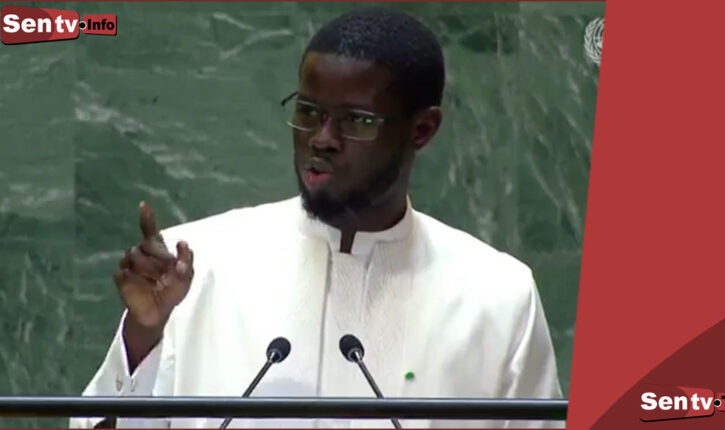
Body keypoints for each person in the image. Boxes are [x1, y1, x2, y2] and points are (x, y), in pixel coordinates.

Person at [71, 7, 562, 429]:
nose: (322, 138)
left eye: (356, 120)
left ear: (422, 129)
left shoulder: (498, 297)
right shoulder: (194, 270)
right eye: (309, 112)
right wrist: (143, 335)